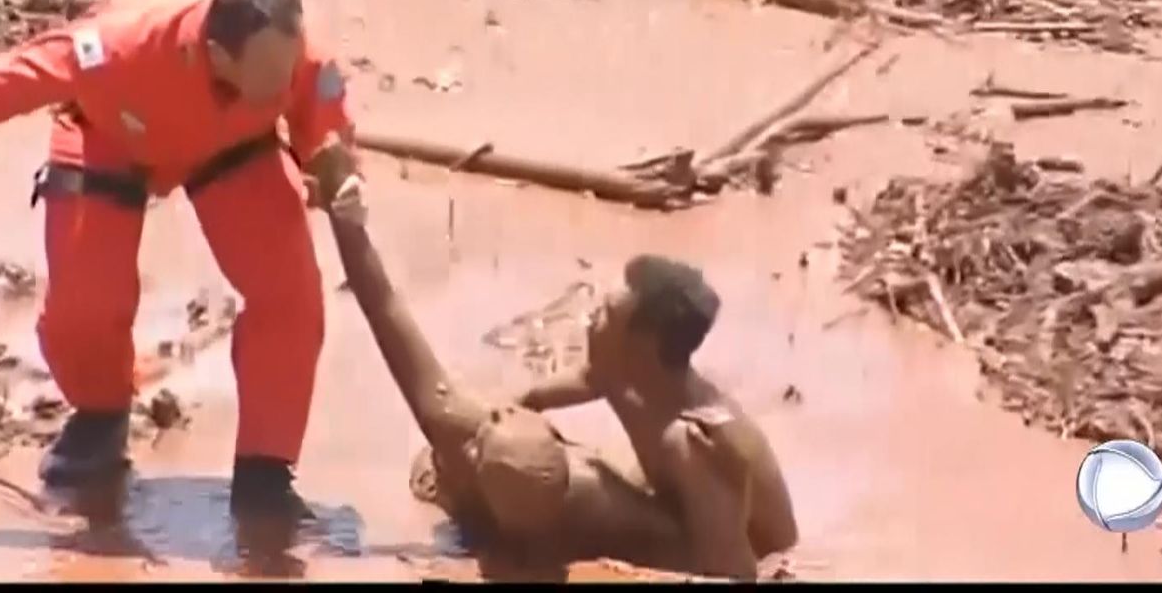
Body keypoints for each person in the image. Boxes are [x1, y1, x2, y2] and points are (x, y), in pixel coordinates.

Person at [0, 0, 364, 535]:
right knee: (86, 307)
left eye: (289, 65)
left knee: (290, 296)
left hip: (230, 148)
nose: (284, 81)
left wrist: (336, 172)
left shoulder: (300, 60)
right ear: (219, 55)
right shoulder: (118, 49)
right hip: (111, 136)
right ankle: (101, 415)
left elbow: (321, 124)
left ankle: (265, 475)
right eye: (269, 75)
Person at [308, 146, 686, 570]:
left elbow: (385, 308)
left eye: (480, 438)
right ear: (552, 436)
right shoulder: (587, 505)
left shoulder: (460, 438)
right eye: (502, 416)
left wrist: (345, 221)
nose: (490, 417)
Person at [513, 256, 799, 578]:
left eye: (607, 314)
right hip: (685, 516)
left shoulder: (691, 442)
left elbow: (735, 571)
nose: (591, 319)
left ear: (641, 348)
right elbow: (591, 379)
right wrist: (521, 405)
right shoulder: (631, 379)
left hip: (743, 552)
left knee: (587, 497)